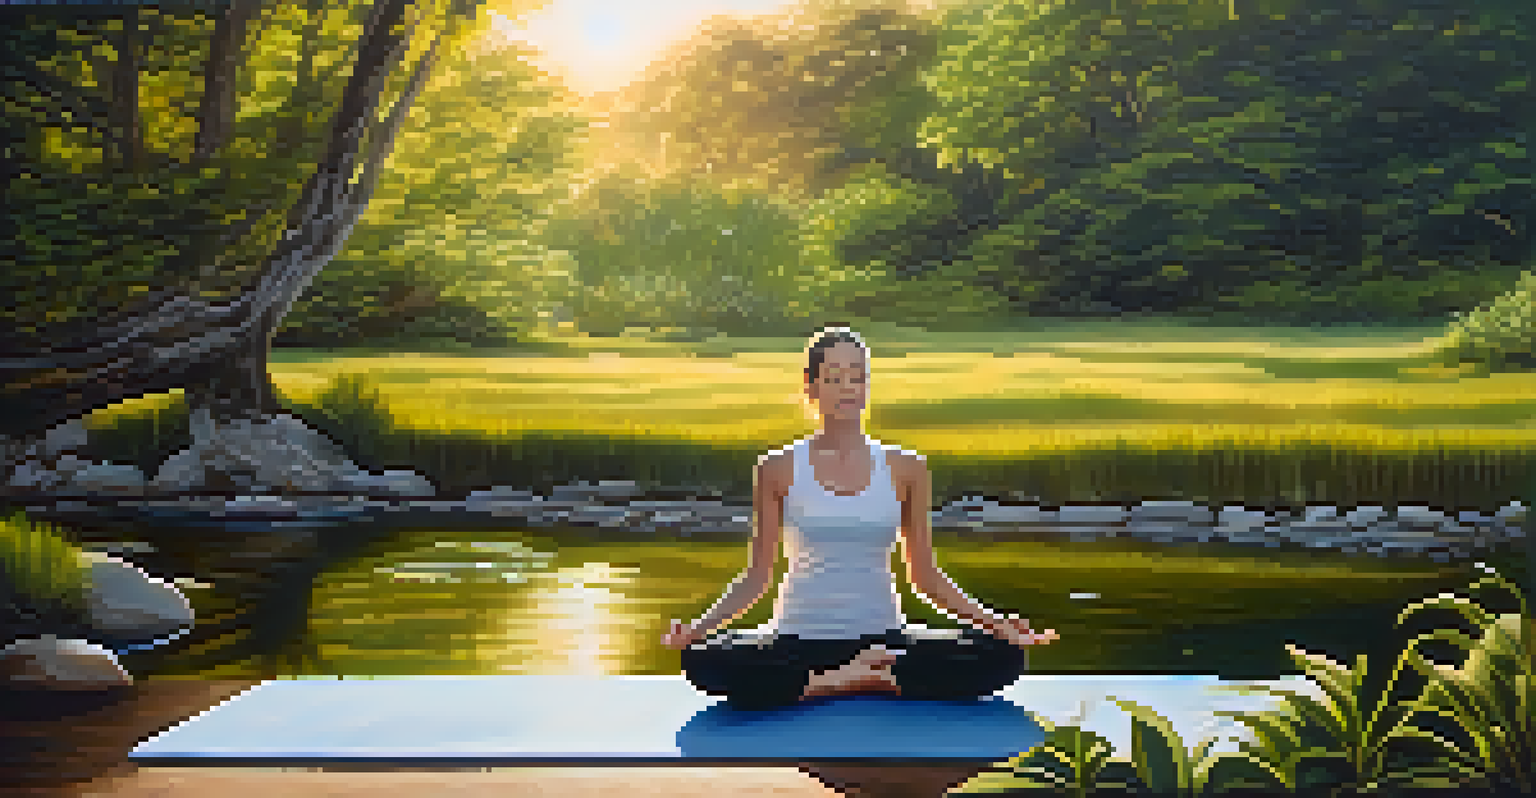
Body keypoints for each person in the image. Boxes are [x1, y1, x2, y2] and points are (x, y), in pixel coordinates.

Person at [660, 324, 1058, 710]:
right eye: (834, 378)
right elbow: (757, 576)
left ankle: (848, 677)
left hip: (884, 641)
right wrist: (700, 627)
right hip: (798, 639)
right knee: (703, 659)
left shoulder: (906, 468)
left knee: (1004, 657)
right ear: (811, 386)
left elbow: (926, 578)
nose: (848, 388)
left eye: (857, 377)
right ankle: (850, 680)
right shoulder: (777, 468)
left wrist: (997, 624)